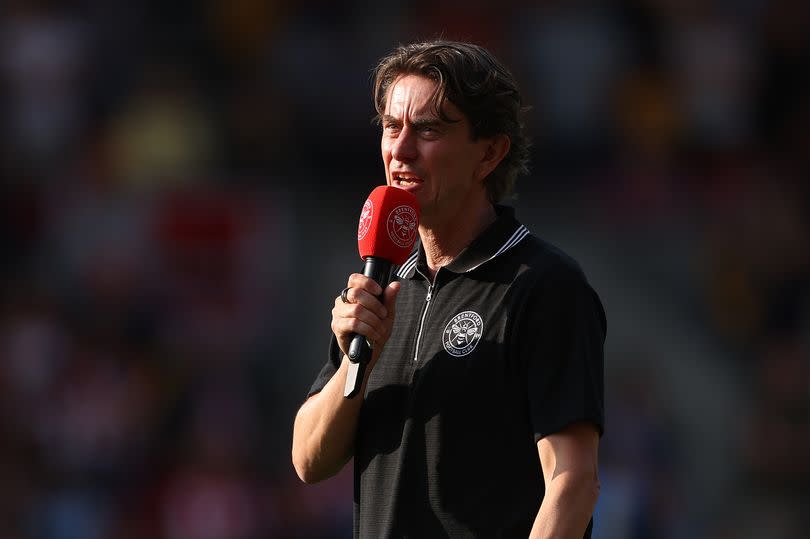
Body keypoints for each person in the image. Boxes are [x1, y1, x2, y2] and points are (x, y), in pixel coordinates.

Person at [292, 40, 606, 538]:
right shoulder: (380, 284)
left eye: (429, 129)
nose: (400, 148)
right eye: (392, 127)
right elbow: (308, 461)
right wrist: (358, 363)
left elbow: (573, 483)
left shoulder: (544, 286)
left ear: (490, 153)